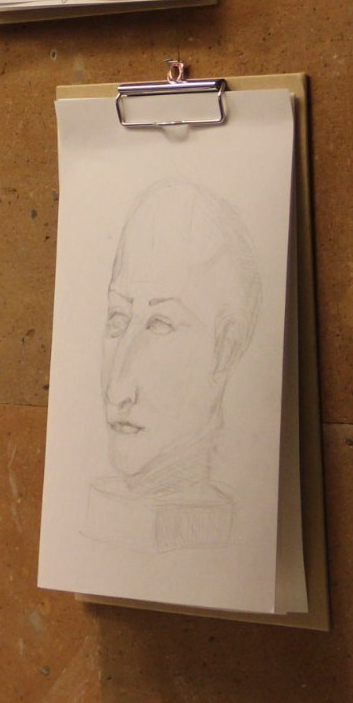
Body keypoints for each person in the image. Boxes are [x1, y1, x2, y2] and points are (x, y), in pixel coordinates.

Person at [85, 181, 260, 551]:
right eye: (117, 318)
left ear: (225, 349)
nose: (117, 389)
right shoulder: (82, 525)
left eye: (160, 325)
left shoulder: (232, 544)